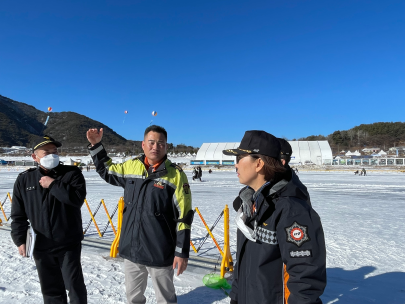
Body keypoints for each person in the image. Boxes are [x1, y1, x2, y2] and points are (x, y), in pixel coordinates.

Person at [86, 125, 193, 304]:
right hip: (132, 249)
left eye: (161, 143)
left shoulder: (176, 175)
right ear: (143, 145)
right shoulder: (132, 166)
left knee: (165, 299)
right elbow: (107, 170)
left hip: (160, 251)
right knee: (133, 298)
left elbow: (184, 216)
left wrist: (181, 253)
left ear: (166, 147)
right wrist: (97, 146)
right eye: (151, 142)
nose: (155, 147)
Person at [223, 130, 326, 304]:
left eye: (239, 158)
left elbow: (305, 278)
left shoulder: (291, 210)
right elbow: (243, 266)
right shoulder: (249, 205)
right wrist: (236, 298)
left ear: (259, 164)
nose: (236, 165)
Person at [10, 135, 87, 304]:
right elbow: (18, 214)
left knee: (74, 287)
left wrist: (53, 184)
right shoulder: (24, 179)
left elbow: (76, 200)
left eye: (55, 151)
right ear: (34, 157)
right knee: (51, 290)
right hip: (40, 244)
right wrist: (19, 239)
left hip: (68, 243)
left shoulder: (72, 174)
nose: (52, 155)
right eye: (46, 152)